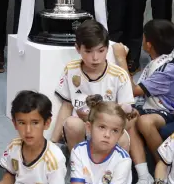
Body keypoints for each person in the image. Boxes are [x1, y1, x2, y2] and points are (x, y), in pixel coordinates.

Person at [111, 20, 174, 184]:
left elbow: (131, 90)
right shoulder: (157, 62)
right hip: (150, 109)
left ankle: (164, 167)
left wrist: (120, 59)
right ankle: (144, 176)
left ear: (148, 44)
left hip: (168, 113)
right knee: (129, 118)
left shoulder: (169, 69)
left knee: (143, 122)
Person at [51, 20, 133, 151]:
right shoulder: (71, 69)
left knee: (122, 138)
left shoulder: (119, 75)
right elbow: (66, 106)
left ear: (107, 48)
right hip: (82, 128)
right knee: (72, 124)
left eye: (101, 51)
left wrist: (108, 128)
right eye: (88, 51)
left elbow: (128, 117)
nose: (95, 58)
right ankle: (77, 163)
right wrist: (53, 142)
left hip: (108, 130)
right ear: (78, 48)